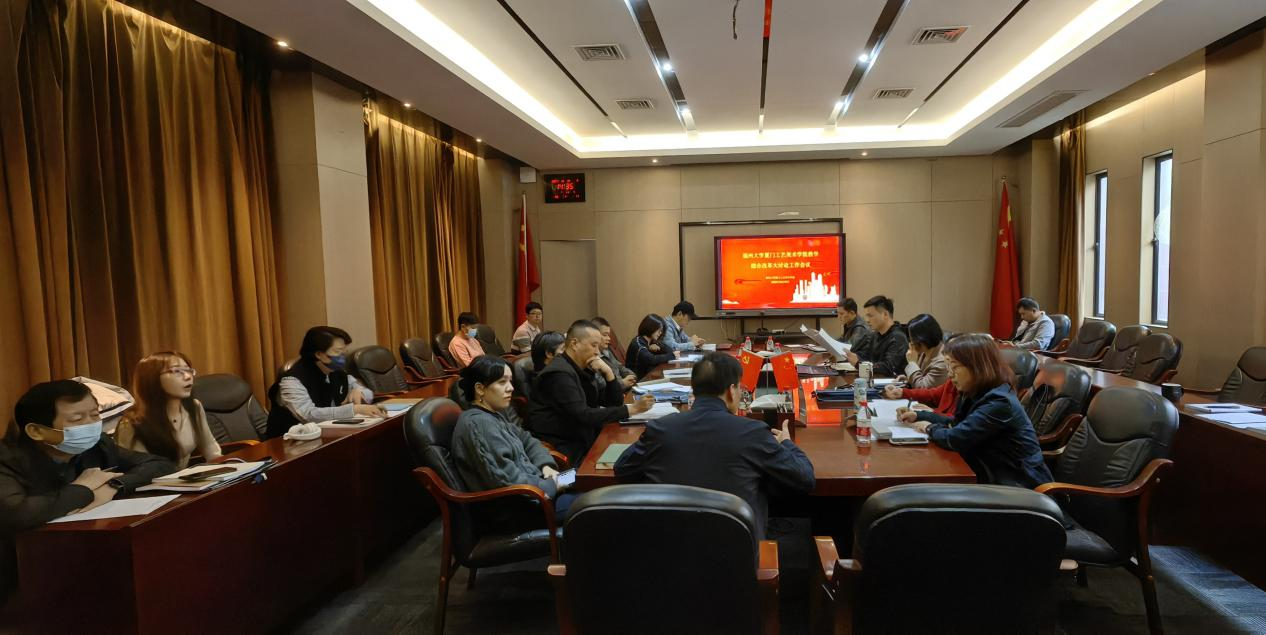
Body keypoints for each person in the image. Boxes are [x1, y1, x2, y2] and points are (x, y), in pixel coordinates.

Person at [614, 353, 815, 540]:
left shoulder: (660, 428)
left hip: (668, 549)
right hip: (736, 555)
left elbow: (622, 468)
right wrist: (787, 443)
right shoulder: (753, 433)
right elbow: (805, 478)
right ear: (731, 390)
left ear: (694, 390)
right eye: (740, 388)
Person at [0, 380, 174, 533]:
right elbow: (16, 513)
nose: (91, 425)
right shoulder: (7, 459)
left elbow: (159, 464)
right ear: (36, 431)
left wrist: (113, 486)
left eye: (95, 415)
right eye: (77, 419)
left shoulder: (97, 444)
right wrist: (83, 488)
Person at [900, 334, 1052, 489]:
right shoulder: (976, 392)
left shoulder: (999, 402)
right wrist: (920, 415)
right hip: (992, 475)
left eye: (954, 367)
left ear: (977, 367)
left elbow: (956, 438)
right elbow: (958, 423)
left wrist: (929, 428)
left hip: (1018, 486)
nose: (950, 374)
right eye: (948, 367)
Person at [451, 356, 573, 520]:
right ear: (480, 388)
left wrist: (545, 466)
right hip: (522, 508)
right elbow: (506, 479)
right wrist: (554, 484)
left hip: (539, 492)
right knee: (592, 494)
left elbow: (528, 440)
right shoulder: (479, 424)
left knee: (585, 478)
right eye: (502, 382)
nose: (511, 388)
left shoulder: (493, 415)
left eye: (510, 381)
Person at [528, 320, 654, 465]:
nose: (597, 352)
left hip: (583, 436)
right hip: (565, 447)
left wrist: (609, 373)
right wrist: (632, 409)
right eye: (593, 345)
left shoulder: (580, 368)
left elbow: (612, 403)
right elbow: (583, 415)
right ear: (574, 344)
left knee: (639, 454)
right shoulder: (558, 373)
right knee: (632, 463)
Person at [266, 326, 385, 438]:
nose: (343, 356)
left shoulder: (336, 372)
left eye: (345, 351)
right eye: (338, 352)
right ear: (319, 354)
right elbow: (308, 415)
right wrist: (354, 409)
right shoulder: (291, 380)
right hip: (290, 441)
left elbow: (368, 393)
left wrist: (359, 391)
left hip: (327, 435)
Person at [115, 352, 222, 469]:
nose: (188, 377)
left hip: (188, 478)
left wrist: (226, 469)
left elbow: (209, 447)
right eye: (177, 371)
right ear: (152, 378)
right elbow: (140, 470)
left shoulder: (194, 407)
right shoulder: (131, 423)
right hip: (154, 479)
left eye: (189, 370)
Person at [846, 295, 908, 376]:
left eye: (870, 316)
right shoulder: (875, 335)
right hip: (875, 380)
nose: (867, 320)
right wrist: (853, 356)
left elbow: (888, 367)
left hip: (892, 382)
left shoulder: (898, 337)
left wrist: (858, 364)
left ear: (885, 314)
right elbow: (867, 356)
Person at [897, 314, 949, 389]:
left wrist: (912, 363)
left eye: (913, 339)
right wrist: (908, 379)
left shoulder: (941, 362)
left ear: (923, 338)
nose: (911, 342)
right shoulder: (925, 352)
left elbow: (922, 388)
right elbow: (922, 378)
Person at [592, 317, 637, 393]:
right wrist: (623, 383)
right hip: (615, 394)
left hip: (623, 390)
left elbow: (620, 367)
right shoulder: (592, 359)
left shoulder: (606, 351)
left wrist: (631, 375)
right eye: (605, 335)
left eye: (609, 335)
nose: (609, 338)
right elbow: (602, 386)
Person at [625, 314, 676, 379]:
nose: (660, 333)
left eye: (661, 331)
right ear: (651, 327)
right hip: (637, 380)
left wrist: (657, 346)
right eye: (659, 330)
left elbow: (669, 350)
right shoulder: (638, 343)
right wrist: (672, 356)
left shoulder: (651, 341)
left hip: (648, 376)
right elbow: (652, 359)